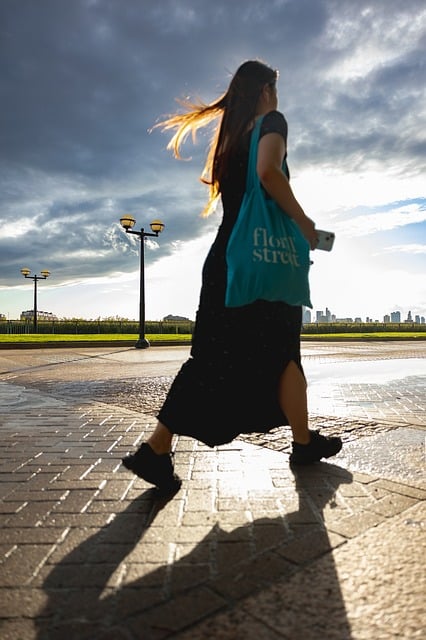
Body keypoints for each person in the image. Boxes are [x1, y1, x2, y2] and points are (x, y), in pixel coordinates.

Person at [122, 60, 342, 493]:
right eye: (274, 90)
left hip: (226, 261)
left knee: (215, 355)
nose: (277, 99)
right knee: (282, 350)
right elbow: (268, 172)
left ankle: (160, 448)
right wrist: (305, 225)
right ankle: (297, 443)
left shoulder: (228, 142)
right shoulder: (272, 122)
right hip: (265, 265)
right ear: (264, 91)